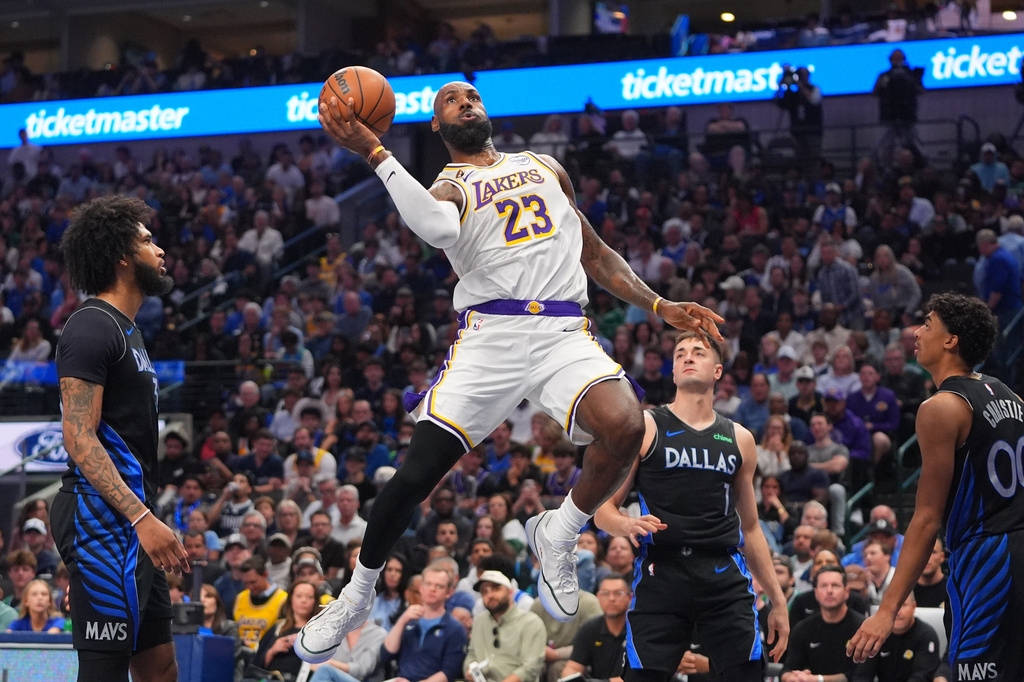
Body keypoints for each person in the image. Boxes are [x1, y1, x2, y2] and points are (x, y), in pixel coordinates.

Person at [297, 80, 723, 662]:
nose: (467, 101)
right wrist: (376, 151)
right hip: (490, 339)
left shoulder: (545, 165)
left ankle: (561, 529)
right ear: (436, 127)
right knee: (415, 476)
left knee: (626, 425)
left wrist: (658, 304)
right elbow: (439, 231)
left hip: (560, 332)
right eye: (451, 100)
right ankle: (355, 594)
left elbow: (594, 253)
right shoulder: (450, 183)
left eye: (472, 95)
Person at [595, 331, 789, 681]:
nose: (687, 357)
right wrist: (626, 525)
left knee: (747, 674)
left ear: (717, 371)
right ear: (672, 373)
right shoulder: (645, 426)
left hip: (721, 572)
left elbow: (751, 527)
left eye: (698, 352)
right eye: (680, 353)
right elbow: (603, 509)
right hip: (661, 572)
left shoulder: (740, 438)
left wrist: (778, 600)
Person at [848, 293, 1022, 680]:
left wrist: (886, 610)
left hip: (987, 559)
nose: (916, 331)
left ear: (951, 340)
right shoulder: (1013, 397)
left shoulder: (941, 407)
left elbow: (927, 518)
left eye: (927, 323)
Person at [51, 195, 188, 682]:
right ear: (122, 257)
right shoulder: (90, 327)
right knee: (105, 673)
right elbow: (79, 437)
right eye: (148, 241)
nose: (160, 249)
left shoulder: (129, 331)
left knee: (160, 667)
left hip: (126, 524)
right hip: (103, 521)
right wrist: (140, 519)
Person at [379, 563, 468, 682]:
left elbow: (449, 672)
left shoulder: (455, 629)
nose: (432, 589)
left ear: (449, 592)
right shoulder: (408, 620)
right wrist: (402, 621)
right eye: (428, 584)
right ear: (421, 588)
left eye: (439, 586)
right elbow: (387, 653)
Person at [783, 566, 863, 682]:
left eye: (835, 585)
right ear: (816, 593)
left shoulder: (861, 628)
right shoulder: (803, 628)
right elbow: (787, 669)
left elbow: (861, 675)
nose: (829, 591)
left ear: (846, 592)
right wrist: (792, 678)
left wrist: (819, 679)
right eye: (824, 586)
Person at [465, 570, 545, 682]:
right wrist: (470, 671)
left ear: (511, 592)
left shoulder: (531, 623)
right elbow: (472, 655)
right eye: (484, 592)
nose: (490, 595)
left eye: (496, 589)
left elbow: (530, 668)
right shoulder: (479, 621)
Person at [850, 593, 940, 682]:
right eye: (891, 607)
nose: (898, 612)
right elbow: (863, 675)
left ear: (914, 606)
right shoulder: (875, 635)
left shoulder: (926, 635)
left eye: (903, 605)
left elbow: (922, 676)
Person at [560, 573, 630, 682]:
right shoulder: (590, 628)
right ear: (598, 597)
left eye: (618, 593)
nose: (611, 599)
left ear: (630, 597)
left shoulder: (638, 630)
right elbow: (573, 666)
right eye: (605, 593)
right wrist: (570, 677)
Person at [253, 580, 318, 679]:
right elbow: (256, 665)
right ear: (291, 599)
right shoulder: (278, 628)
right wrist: (273, 650)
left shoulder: (320, 631)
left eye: (309, 597)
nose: (304, 600)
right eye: (299, 596)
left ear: (315, 601)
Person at [233, 555, 289, 650]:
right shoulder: (240, 598)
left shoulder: (283, 600)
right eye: (246, 583)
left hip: (266, 654)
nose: (250, 587)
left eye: (253, 582)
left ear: (265, 575)